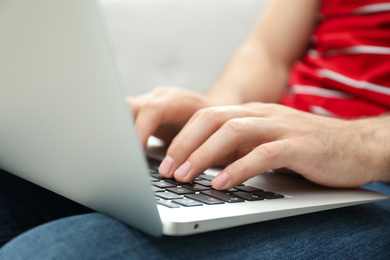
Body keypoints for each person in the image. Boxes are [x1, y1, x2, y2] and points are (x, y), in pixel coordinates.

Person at [0, 0, 389, 259]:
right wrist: (216, 114)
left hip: (376, 179)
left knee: (50, 253)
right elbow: (268, 56)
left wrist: (358, 145)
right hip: (273, 151)